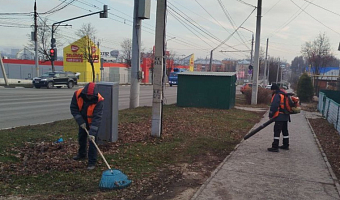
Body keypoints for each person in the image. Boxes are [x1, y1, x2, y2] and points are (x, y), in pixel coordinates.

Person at [70, 82, 104, 170]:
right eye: (87, 96)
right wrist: (80, 121)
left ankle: (92, 162)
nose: (89, 97)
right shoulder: (77, 94)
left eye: (90, 96)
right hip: (83, 119)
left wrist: (92, 133)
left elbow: (97, 118)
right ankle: (82, 154)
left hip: (93, 122)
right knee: (81, 137)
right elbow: (74, 108)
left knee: (92, 142)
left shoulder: (99, 100)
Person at [267, 83, 290, 152]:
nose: (271, 91)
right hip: (286, 115)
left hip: (279, 116)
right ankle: (286, 145)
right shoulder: (284, 94)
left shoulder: (277, 95)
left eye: (272, 90)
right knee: (285, 131)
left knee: (277, 131)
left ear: (274, 89)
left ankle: (275, 146)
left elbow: (274, 106)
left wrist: (271, 115)